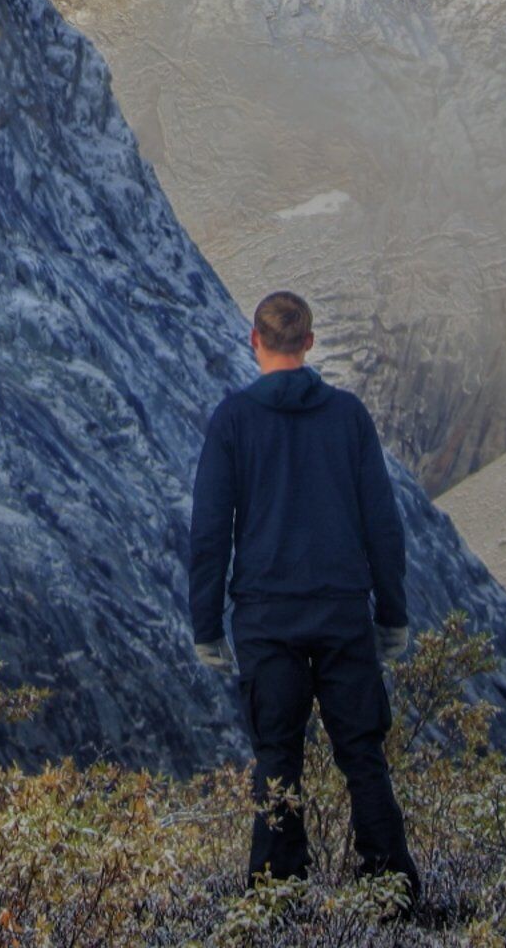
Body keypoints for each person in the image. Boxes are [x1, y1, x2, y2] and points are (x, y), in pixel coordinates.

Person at [186, 290, 421, 899]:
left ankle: (275, 895)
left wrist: (206, 624)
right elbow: (382, 524)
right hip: (343, 610)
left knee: (277, 760)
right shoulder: (347, 417)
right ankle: (390, 892)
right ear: (310, 342)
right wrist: (391, 616)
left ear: (255, 342)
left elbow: (211, 530)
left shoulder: (233, 421)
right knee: (363, 756)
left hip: (266, 617)